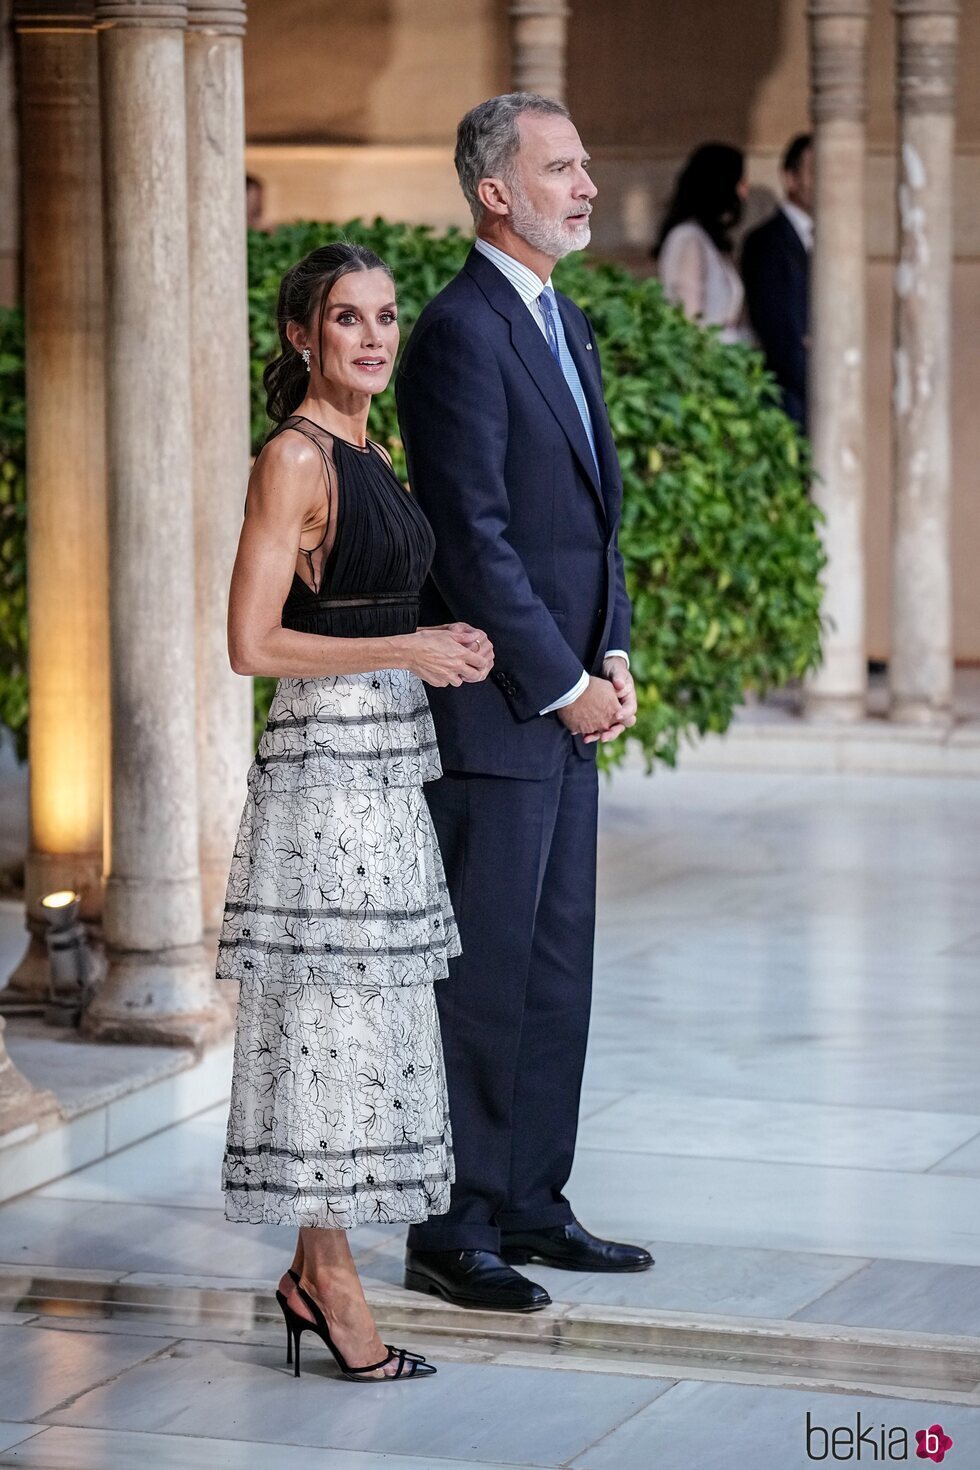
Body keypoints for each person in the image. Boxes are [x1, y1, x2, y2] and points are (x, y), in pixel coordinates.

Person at [218, 241, 494, 1379]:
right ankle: (328, 1281)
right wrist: (406, 645)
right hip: (325, 771)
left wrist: (443, 643)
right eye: (347, 319)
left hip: (384, 759)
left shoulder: (369, 447)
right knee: (326, 1026)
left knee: (356, 1030)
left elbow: (372, 592)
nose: (373, 338)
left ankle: (310, 1269)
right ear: (302, 335)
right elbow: (251, 643)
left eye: (384, 317)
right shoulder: (291, 457)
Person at [395, 92, 652, 1314]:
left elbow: (589, 531)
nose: (587, 183)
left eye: (584, 161)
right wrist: (558, 685)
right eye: (562, 166)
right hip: (498, 716)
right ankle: (454, 1225)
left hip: (564, 702)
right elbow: (476, 542)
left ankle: (534, 1204)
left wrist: (612, 657)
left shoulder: (564, 322)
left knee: (556, 970)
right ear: (495, 192)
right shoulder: (456, 332)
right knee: (484, 975)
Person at [741, 133, 813, 430]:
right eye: (815, 171)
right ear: (790, 177)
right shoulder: (766, 242)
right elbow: (777, 332)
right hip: (787, 400)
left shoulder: (824, 240)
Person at [654, 142, 749, 343]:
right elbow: (689, 320)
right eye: (740, 181)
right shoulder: (688, 238)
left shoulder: (707, 239)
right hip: (710, 361)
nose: (744, 191)